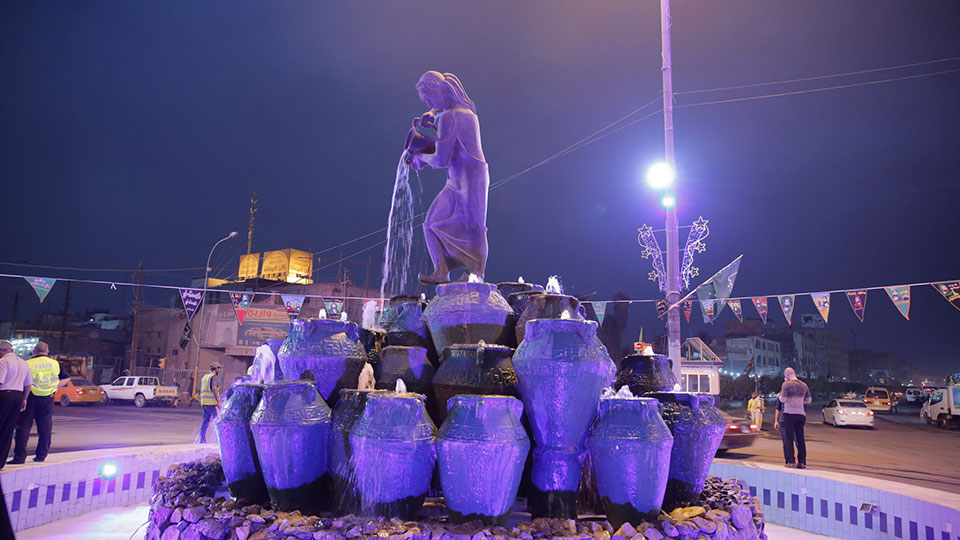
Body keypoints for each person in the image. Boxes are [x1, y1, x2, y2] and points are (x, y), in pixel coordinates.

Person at [409, 71, 490, 284]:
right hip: (458, 177)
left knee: (475, 226)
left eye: (429, 98)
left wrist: (420, 158)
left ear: (442, 91)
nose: (427, 102)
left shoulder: (451, 117)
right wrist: (433, 111)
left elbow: (441, 159)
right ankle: (442, 271)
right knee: (432, 224)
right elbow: (446, 135)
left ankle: (476, 274)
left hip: (471, 179)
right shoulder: (465, 112)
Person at [10, 342, 64, 464]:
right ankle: (41, 456)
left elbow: (22, 381)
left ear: (34, 351)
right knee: (45, 429)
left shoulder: (28, 364)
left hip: (30, 397)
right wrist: (54, 387)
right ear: (47, 351)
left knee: (23, 428)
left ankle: (19, 457)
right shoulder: (55, 363)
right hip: (48, 398)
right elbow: (65, 378)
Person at [0, 341, 32, 470]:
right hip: (18, 396)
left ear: (3, 350)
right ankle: (1, 461)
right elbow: (28, 383)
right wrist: (24, 399)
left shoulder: (3, 362)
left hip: (4, 396)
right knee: (8, 429)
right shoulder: (24, 363)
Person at [778, 367, 812, 469]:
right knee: (800, 438)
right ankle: (801, 462)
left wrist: (778, 396)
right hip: (801, 414)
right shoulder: (804, 385)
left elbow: (783, 399)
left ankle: (791, 461)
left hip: (789, 414)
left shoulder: (786, 385)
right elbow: (809, 400)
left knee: (789, 439)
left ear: (787, 375)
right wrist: (800, 401)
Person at [198, 362, 222, 443]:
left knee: (205, 422)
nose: (220, 370)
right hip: (211, 402)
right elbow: (214, 388)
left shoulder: (205, 377)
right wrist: (218, 400)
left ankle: (202, 439)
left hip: (204, 402)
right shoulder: (213, 377)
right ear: (216, 369)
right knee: (218, 420)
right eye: (219, 368)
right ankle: (220, 439)